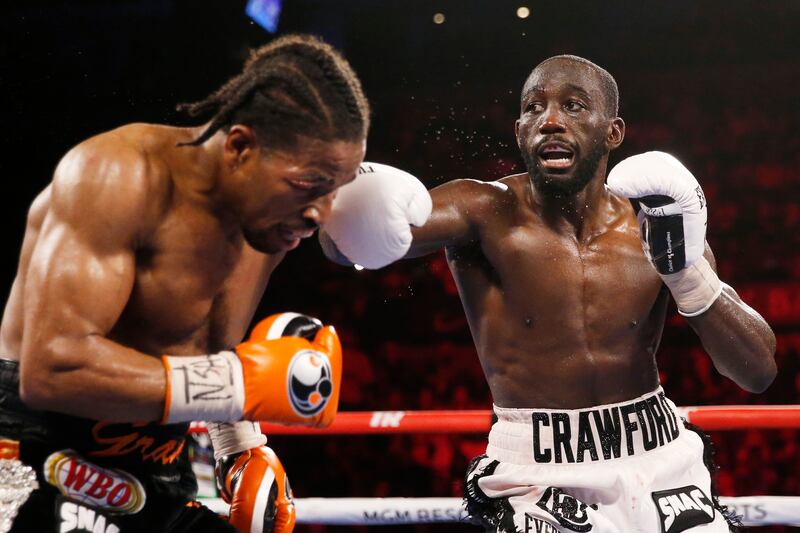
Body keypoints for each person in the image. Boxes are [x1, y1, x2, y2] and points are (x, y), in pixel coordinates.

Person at [320, 55, 777, 532]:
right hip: (538, 473)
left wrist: (687, 276)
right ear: (519, 131)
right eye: (533, 109)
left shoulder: (657, 218)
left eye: (574, 106)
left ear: (613, 132)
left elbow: (758, 371)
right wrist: (353, 214)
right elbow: (338, 242)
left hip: (661, 457)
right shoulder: (483, 210)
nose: (551, 121)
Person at [0, 34, 428, 533]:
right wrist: (238, 388)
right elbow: (52, 370)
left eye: (334, 191)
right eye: (308, 186)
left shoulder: (270, 223)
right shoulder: (117, 177)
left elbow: (209, 346)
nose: (319, 215)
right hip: (41, 459)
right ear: (241, 148)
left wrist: (240, 446)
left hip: (158, 470)